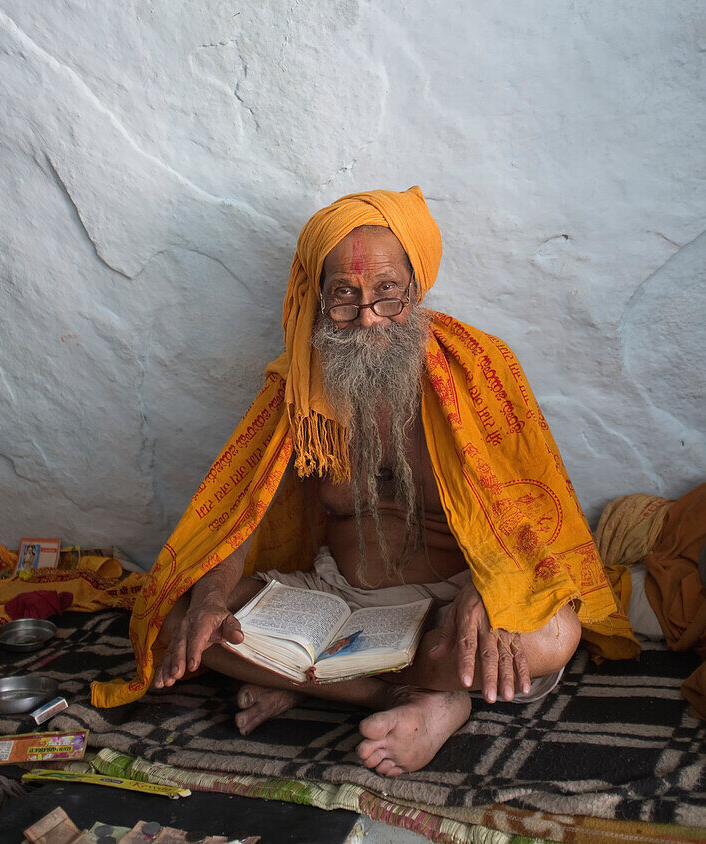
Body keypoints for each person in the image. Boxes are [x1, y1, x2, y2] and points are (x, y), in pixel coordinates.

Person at [92, 187, 634, 777]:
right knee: (179, 621)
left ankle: (315, 683)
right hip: (329, 603)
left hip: (445, 610)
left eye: (386, 294)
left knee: (551, 635)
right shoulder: (300, 387)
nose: (368, 317)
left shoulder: (480, 370)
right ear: (318, 299)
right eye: (345, 297)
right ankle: (416, 698)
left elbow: (533, 511)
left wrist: (496, 590)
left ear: (416, 290)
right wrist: (214, 599)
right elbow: (240, 514)